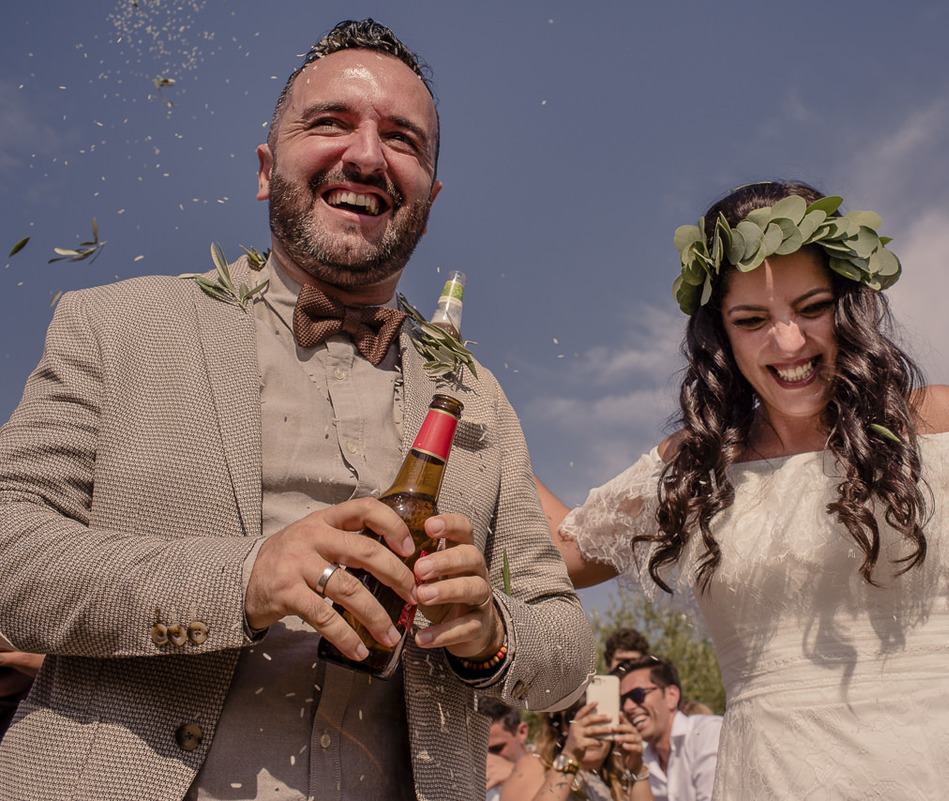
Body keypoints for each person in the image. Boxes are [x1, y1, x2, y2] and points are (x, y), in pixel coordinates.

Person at [0, 19, 593, 801]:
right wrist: (245, 577)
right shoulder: (112, 326)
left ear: (431, 195)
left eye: (404, 140)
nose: (368, 155)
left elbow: (566, 640)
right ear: (265, 167)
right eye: (331, 123)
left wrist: (491, 637)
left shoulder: (478, 396)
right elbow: (12, 550)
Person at [546, 180, 949, 797]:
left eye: (812, 308)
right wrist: (469, 397)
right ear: (719, 336)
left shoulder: (939, 423)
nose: (787, 342)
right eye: (751, 320)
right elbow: (557, 551)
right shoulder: (693, 466)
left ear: (850, 306)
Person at [501, 697, 652, 801]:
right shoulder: (535, 766)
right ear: (561, 726)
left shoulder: (618, 777)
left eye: (602, 719)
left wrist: (637, 769)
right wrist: (570, 756)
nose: (591, 729)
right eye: (576, 717)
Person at [615, 655, 720, 801]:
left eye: (637, 695)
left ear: (672, 695)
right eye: (622, 700)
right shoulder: (640, 757)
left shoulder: (707, 733)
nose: (628, 707)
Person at [482, 696, 532, 800]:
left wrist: (516, 775)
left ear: (522, 732)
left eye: (497, 748)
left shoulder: (552, 760)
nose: (488, 758)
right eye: (480, 752)